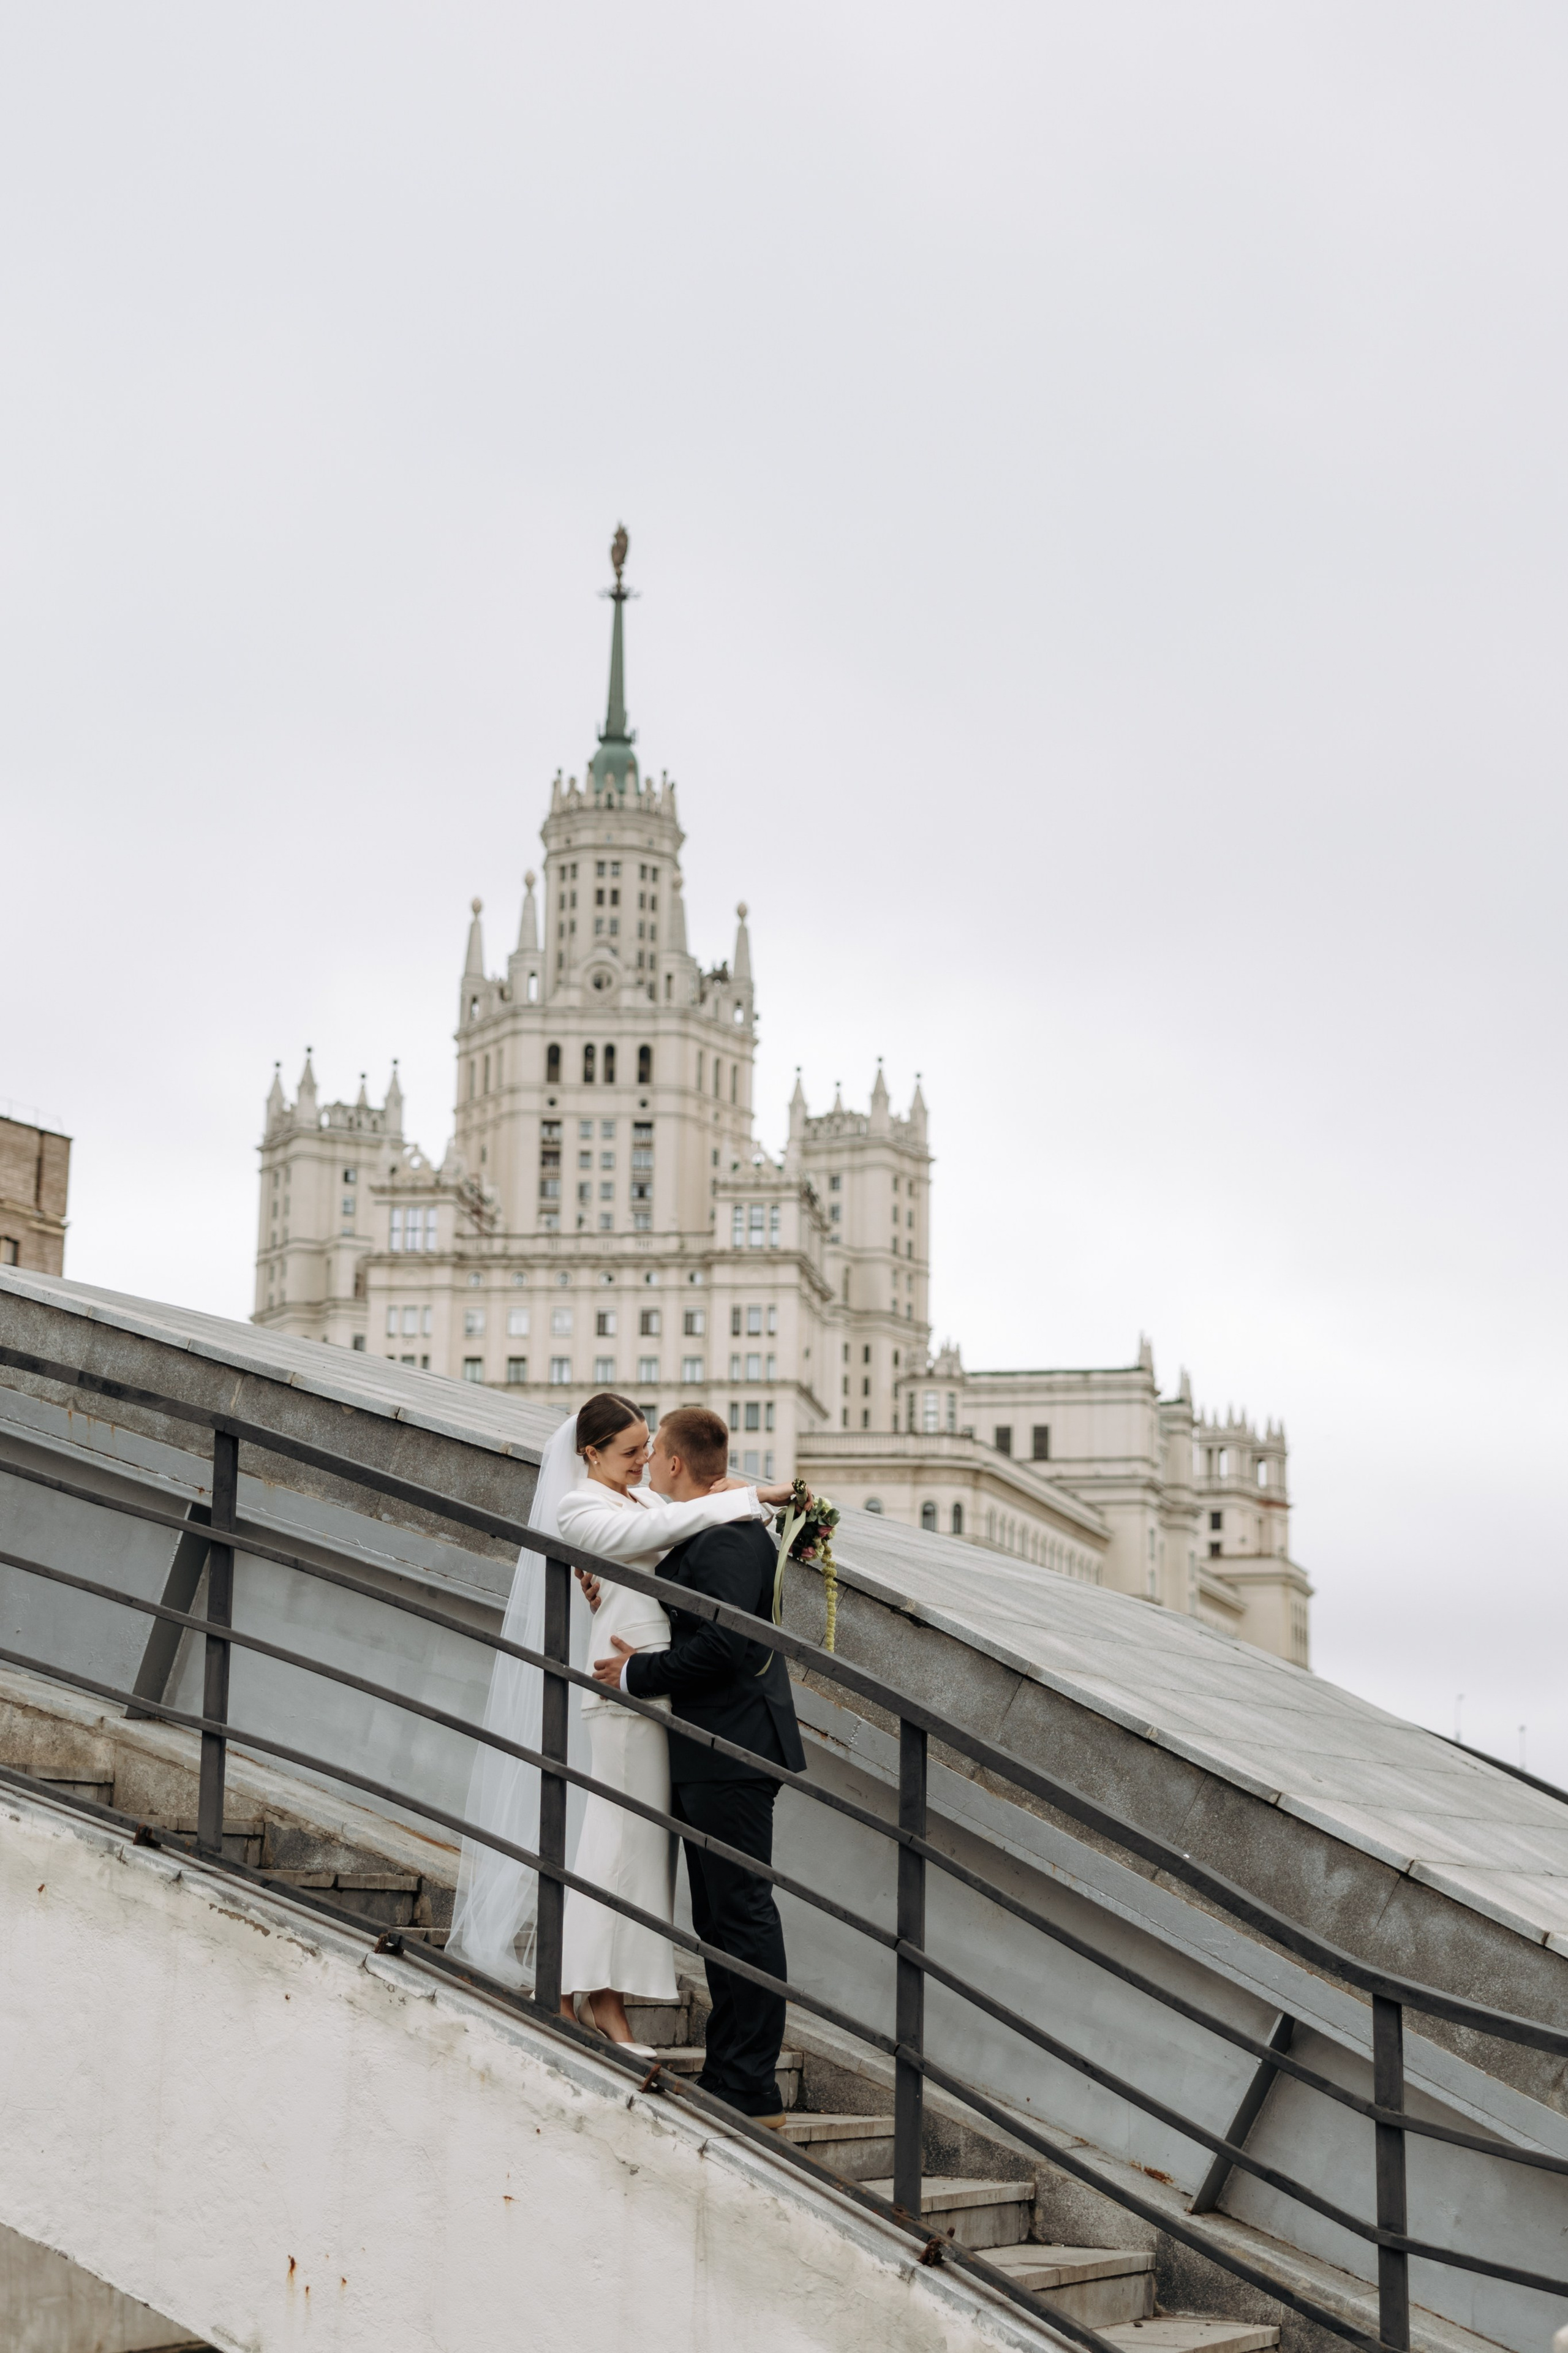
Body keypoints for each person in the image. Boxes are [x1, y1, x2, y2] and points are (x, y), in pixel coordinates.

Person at [552, 1394, 790, 2052]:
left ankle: (597, 1994)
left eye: (647, 1449)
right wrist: (756, 1494)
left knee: (642, 1852)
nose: (642, 1461)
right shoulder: (580, 1506)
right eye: (629, 1452)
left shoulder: (652, 1503)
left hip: (659, 1696)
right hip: (620, 1693)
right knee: (615, 1840)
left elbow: (673, 1526)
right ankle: (586, 1997)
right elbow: (643, 1539)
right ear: (589, 1453)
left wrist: (740, 1499)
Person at [593, 1405, 807, 2128]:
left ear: (676, 1465)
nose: (649, 1466)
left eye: (656, 1456)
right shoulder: (722, 1526)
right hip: (721, 1747)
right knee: (722, 1915)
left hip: (729, 1749)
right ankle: (733, 2072)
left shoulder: (724, 1536)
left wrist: (634, 1674)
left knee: (739, 1913)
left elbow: (722, 1647)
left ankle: (749, 2084)